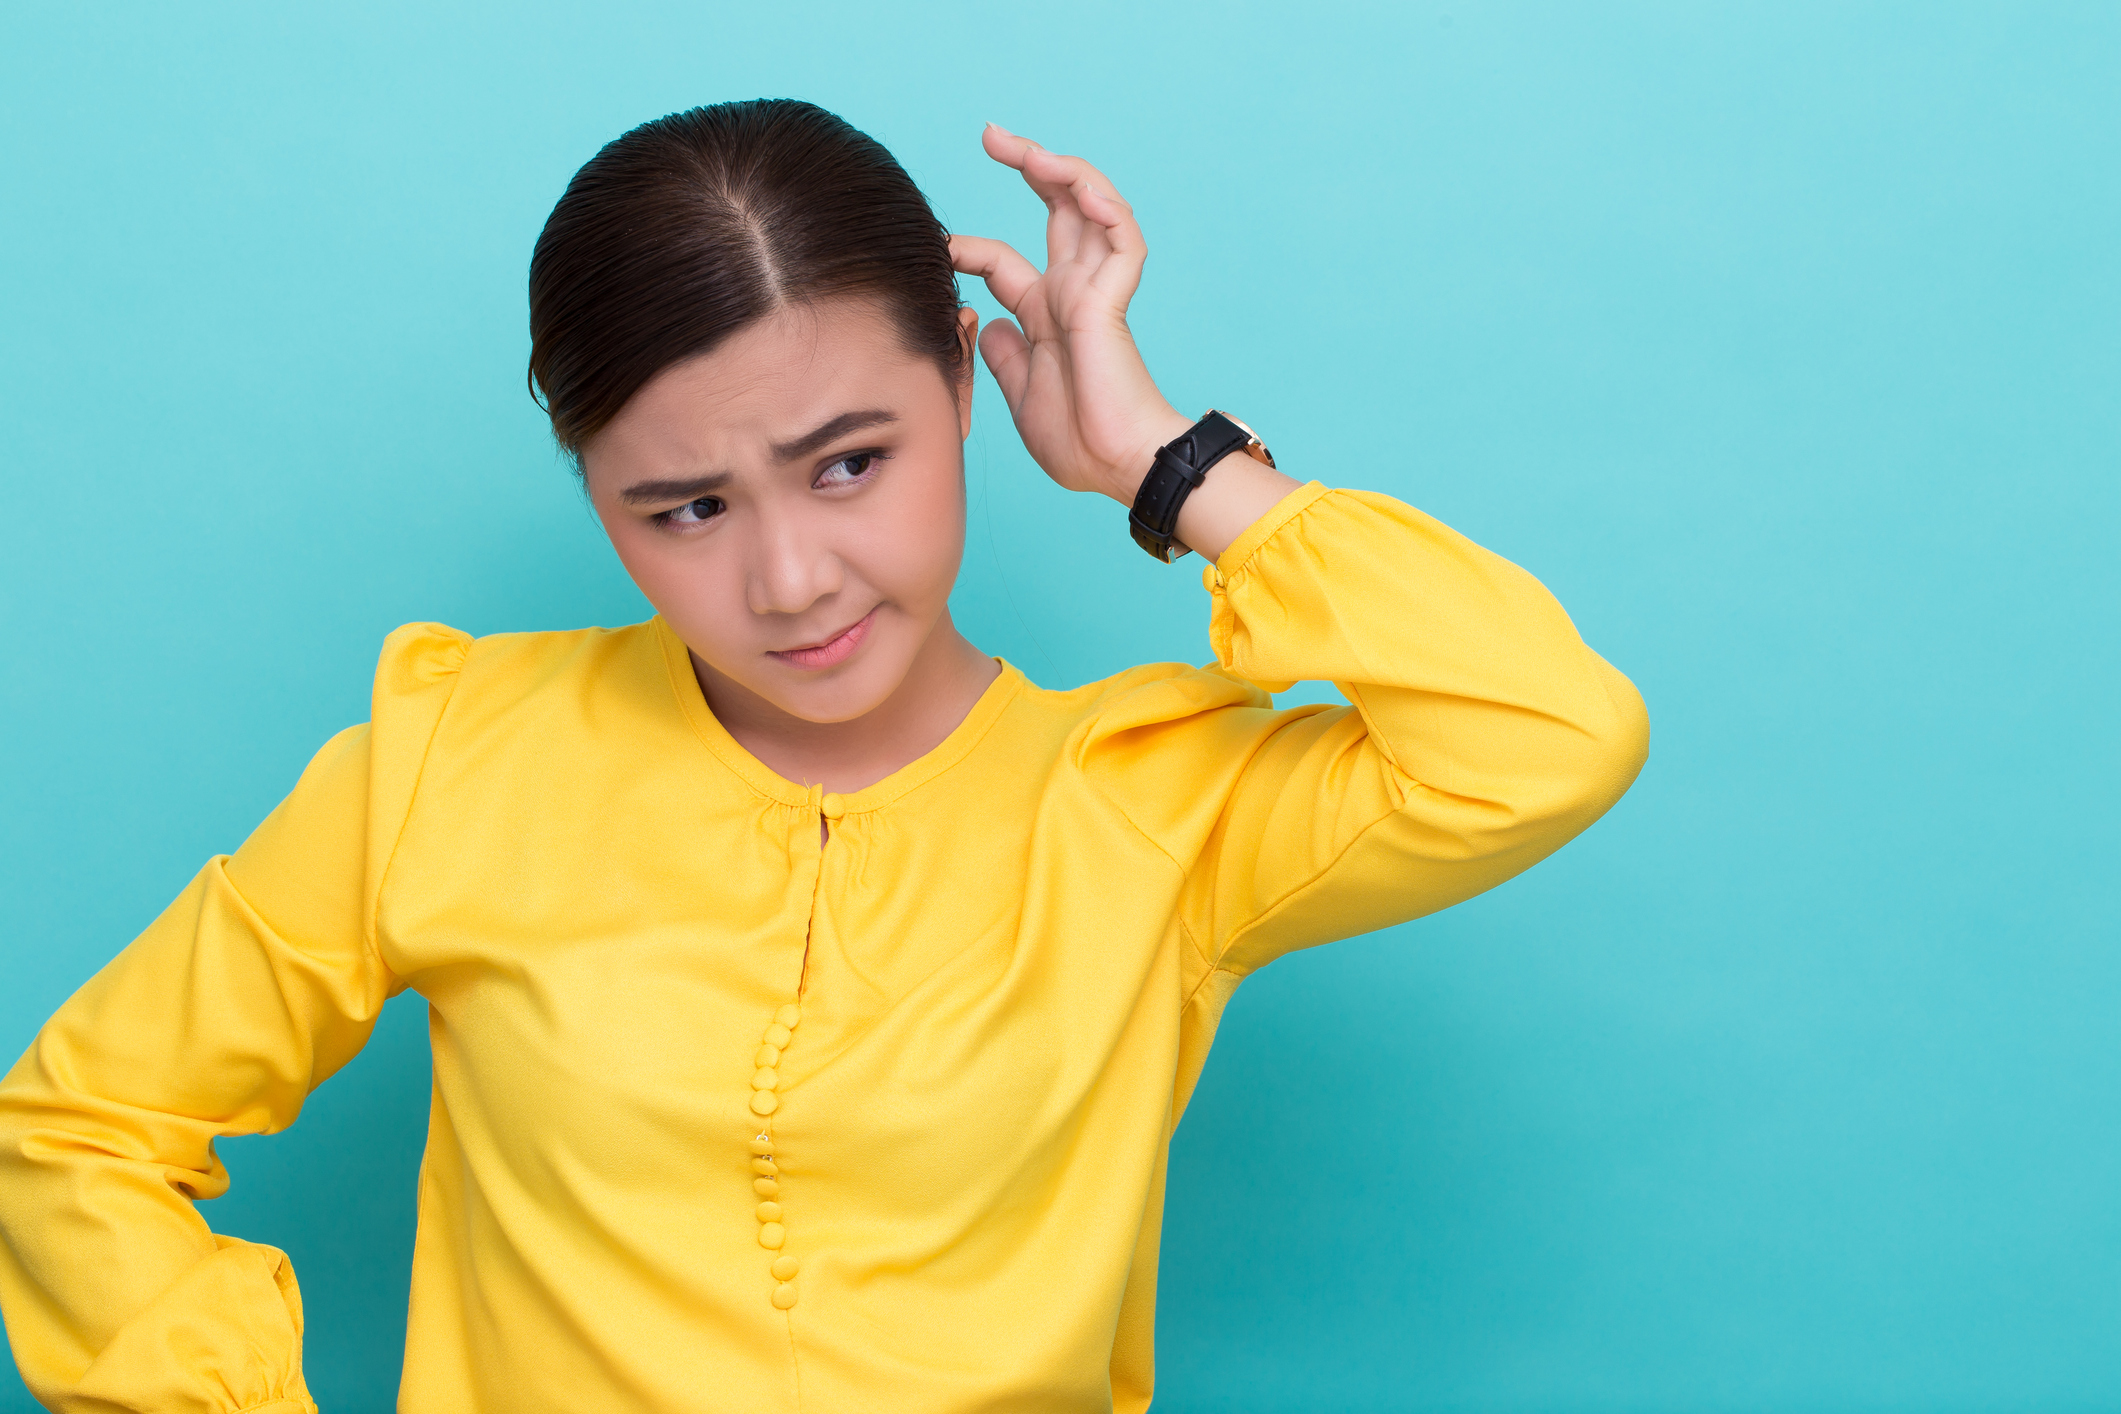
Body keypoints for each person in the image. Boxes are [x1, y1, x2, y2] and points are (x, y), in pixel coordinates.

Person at [0, 99, 1649, 1414]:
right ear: (596, 495)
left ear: (966, 384)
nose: (788, 582)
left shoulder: (1156, 811)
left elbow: (1545, 735)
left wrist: (1166, 462)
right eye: (687, 509)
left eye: (849, 462)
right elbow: (73, 1134)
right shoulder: (454, 760)